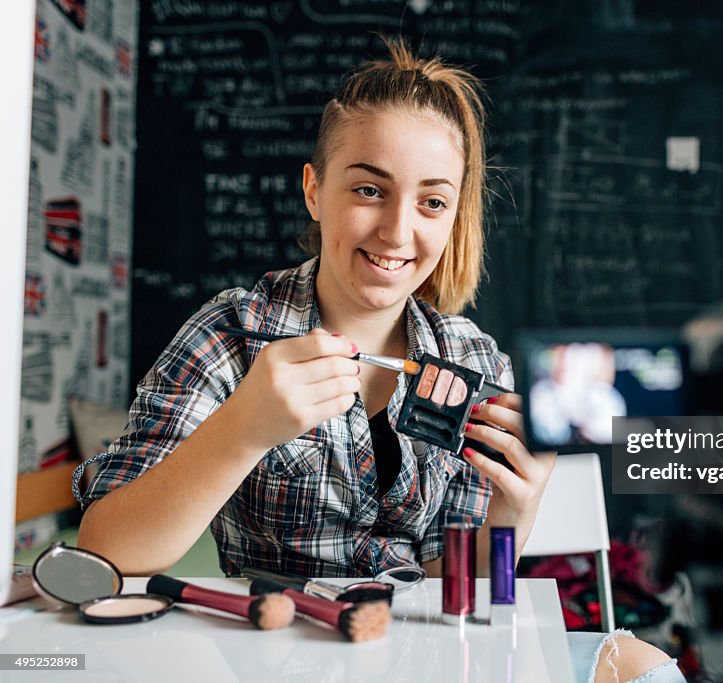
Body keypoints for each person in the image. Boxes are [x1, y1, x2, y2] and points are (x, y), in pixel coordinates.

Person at [73, 37, 684, 683]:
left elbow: (466, 590)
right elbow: (105, 552)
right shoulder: (234, 331)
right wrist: (243, 428)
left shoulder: (474, 359)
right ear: (315, 190)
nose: (397, 230)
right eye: (370, 188)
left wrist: (513, 513)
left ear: (453, 217)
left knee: (645, 664)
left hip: (429, 652)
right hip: (274, 653)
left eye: (431, 201)